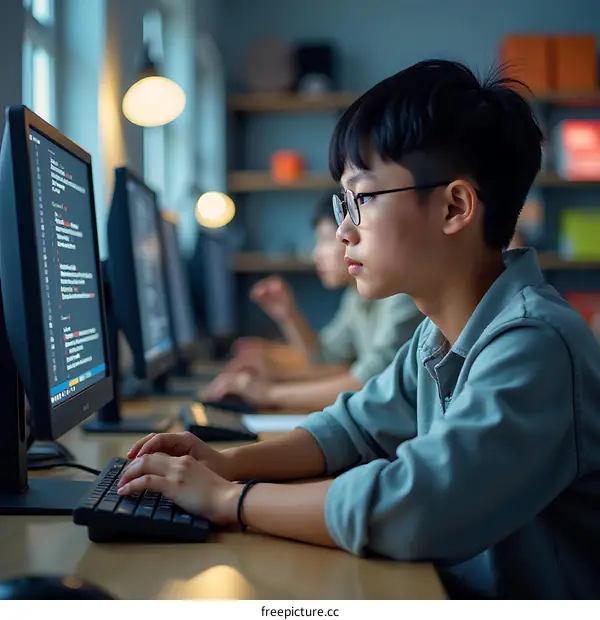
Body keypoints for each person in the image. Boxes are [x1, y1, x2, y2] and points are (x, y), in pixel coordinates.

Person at [117, 59, 600, 599]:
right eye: (342, 203)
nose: (344, 230)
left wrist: (230, 501)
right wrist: (226, 461)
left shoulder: (536, 345)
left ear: (454, 207)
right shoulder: (437, 336)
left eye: (362, 198)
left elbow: (416, 507)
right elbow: (353, 429)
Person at [202, 194, 423, 411]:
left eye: (326, 240)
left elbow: (371, 380)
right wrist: (288, 315)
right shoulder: (355, 297)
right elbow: (325, 357)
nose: (316, 254)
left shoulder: (401, 295)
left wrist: (268, 393)